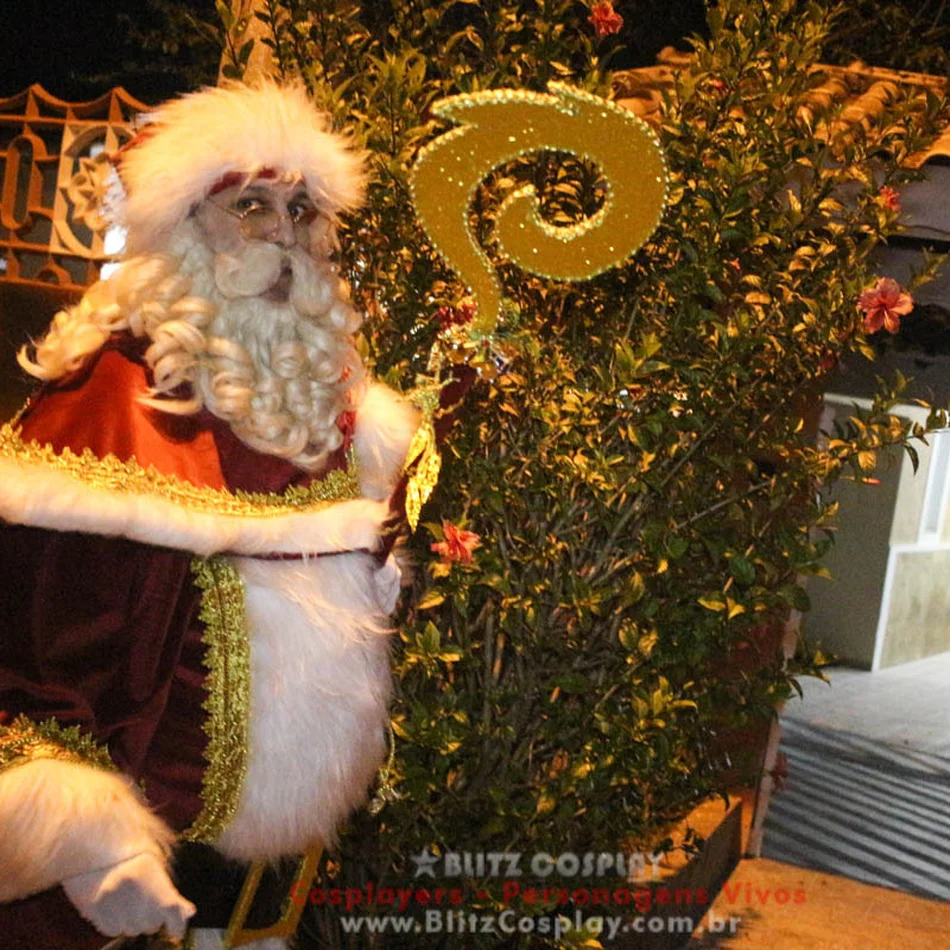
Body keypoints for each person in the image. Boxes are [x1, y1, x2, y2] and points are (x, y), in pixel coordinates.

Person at [0, 82, 419, 950]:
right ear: (183, 226)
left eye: (302, 210)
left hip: (273, 882)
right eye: (251, 205)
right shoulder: (105, 406)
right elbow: (33, 658)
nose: (283, 235)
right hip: (123, 882)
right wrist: (79, 837)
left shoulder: (326, 406)